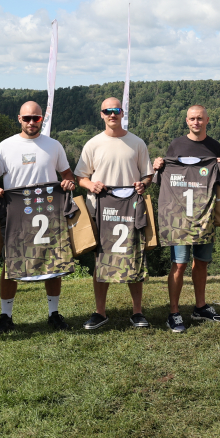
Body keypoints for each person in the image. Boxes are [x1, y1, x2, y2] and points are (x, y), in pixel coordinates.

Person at [0, 101, 77, 334]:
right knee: (11, 264)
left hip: (49, 213)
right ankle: (5, 317)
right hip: (16, 214)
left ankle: (53, 314)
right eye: (26, 118)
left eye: (36, 118)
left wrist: (68, 183)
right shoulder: (4, 147)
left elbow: (68, 175)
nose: (31, 122)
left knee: (52, 261)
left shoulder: (54, 145)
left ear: (41, 119)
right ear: (19, 119)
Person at [75, 98, 154, 330]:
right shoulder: (93, 144)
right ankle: (100, 312)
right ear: (101, 114)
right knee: (101, 260)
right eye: (107, 111)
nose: (112, 114)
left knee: (133, 258)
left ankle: (137, 312)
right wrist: (91, 185)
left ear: (122, 113)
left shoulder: (137, 142)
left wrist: (143, 184)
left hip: (131, 210)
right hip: (100, 210)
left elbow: (148, 174)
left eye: (116, 110)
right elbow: (80, 177)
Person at [151, 105, 220, 332]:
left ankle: (200, 306)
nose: (196, 122)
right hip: (179, 217)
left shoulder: (214, 146)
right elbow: (164, 177)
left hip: (204, 215)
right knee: (180, 263)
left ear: (207, 120)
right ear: (186, 121)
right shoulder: (176, 145)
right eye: (192, 119)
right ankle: (174, 312)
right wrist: (158, 166)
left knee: (201, 262)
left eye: (200, 118)